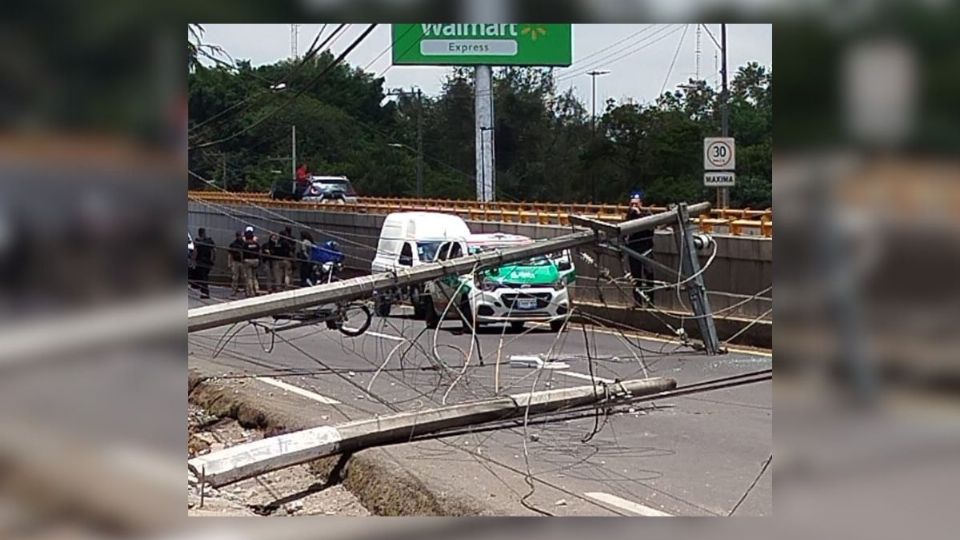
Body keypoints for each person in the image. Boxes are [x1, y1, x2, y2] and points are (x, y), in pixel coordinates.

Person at [623, 191, 655, 306]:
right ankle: (638, 302)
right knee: (636, 278)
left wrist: (639, 214)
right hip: (633, 250)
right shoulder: (629, 216)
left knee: (649, 276)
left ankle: (651, 302)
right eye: (632, 204)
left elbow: (651, 229)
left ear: (641, 204)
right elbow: (623, 230)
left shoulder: (647, 215)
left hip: (646, 250)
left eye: (636, 204)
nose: (633, 207)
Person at [193, 228, 216, 299]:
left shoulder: (197, 241)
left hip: (200, 262)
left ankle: (205, 293)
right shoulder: (210, 241)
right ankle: (204, 292)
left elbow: (195, 252)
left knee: (202, 278)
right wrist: (213, 260)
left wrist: (193, 260)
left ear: (199, 233)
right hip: (208, 262)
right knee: (205, 277)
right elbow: (214, 251)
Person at [240, 226, 261, 297]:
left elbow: (242, 253)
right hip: (256, 261)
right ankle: (257, 289)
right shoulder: (256, 244)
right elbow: (259, 252)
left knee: (249, 277)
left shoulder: (245, 244)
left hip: (247, 261)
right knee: (254, 276)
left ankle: (251, 291)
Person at [227, 231, 245, 296]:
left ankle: (246, 290)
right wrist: (229, 263)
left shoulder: (244, 244)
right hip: (236, 261)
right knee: (235, 277)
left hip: (243, 262)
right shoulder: (233, 244)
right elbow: (230, 254)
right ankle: (234, 290)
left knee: (244, 277)